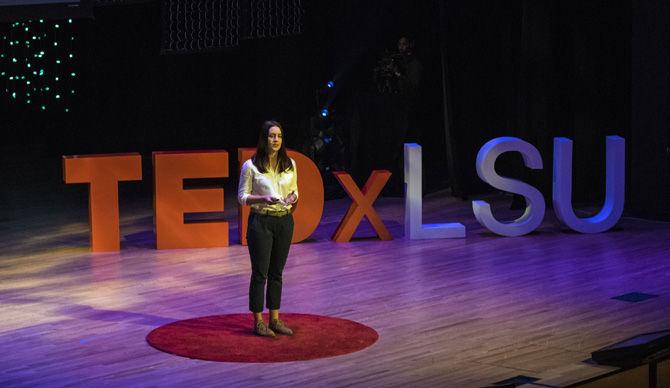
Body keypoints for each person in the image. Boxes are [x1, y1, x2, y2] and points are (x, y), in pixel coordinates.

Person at [238, 120, 298, 337]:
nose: (276, 140)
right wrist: (263, 198)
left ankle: (275, 319)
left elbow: (295, 192)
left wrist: (292, 198)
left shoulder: (290, 164)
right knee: (260, 273)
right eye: (272, 136)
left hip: (284, 221)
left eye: (279, 136)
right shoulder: (251, 166)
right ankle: (258, 322)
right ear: (264, 139)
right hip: (261, 222)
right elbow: (242, 197)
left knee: (277, 273)